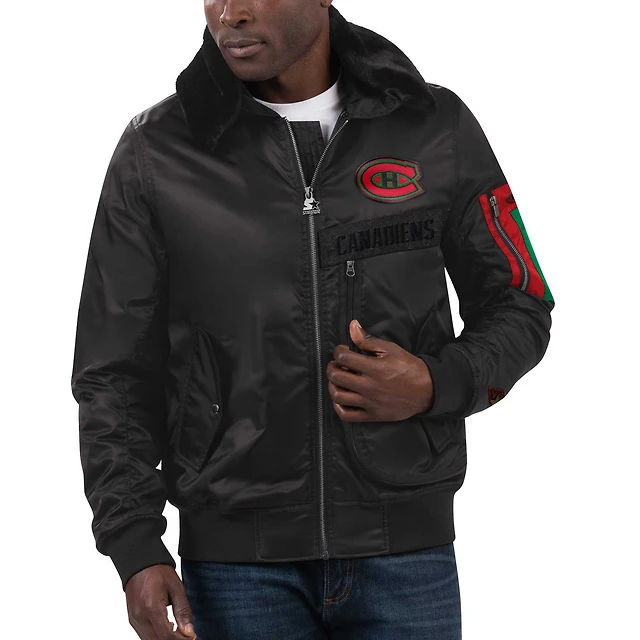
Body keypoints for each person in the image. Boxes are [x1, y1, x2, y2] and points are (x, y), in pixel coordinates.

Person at [70, 2, 555, 638]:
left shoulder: (433, 126)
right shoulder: (157, 149)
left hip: (406, 557)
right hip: (235, 568)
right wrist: (135, 544)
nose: (230, 12)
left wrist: (438, 383)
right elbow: (112, 372)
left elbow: (520, 300)